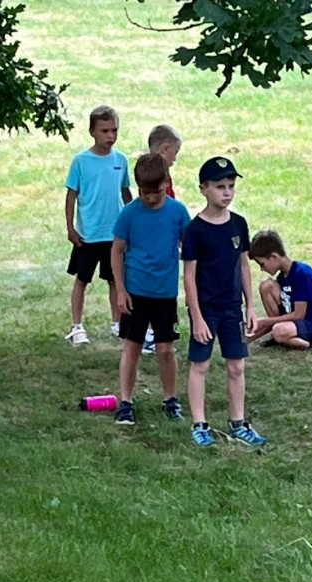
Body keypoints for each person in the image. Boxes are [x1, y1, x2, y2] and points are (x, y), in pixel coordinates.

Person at [182, 156, 266, 447]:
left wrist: (250, 306)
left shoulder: (239, 224)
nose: (227, 192)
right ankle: (199, 424)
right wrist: (197, 316)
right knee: (201, 365)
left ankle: (238, 423)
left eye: (231, 186)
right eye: (220, 187)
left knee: (237, 366)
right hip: (206, 308)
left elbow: (244, 266)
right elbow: (189, 276)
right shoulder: (194, 230)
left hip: (232, 308)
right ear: (203, 189)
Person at [111, 153, 191, 426]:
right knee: (132, 347)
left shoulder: (178, 212)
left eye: (156, 191)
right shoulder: (129, 213)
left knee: (165, 349)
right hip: (136, 292)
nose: (150, 198)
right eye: (145, 192)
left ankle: (170, 399)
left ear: (166, 183)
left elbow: (190, 249)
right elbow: (117, 251)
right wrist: (121, 290)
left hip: (165, 293)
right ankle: (126, 402)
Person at [64, 105, 132, 345]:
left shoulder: (121, 160)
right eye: (105, 131)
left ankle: (117, 322)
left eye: (114, 130)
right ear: (92, 131)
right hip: (88, 235)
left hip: (114, 235)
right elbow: (71, 195)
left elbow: (125, 192)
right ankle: (77, 326)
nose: (110, 136)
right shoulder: (81, 161)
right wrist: (71, 228)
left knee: (115, 280)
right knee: (82, 279)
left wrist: (134, 222)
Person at [247, 230, 312, 350]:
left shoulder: (302, 274)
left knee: (278, 330)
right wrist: (247, 340)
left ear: (274, 257)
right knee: (266, 286)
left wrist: (266, 321)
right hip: (293, 323)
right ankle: (280, 336)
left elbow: (299, 315)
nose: (262, 269)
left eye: (262, 264)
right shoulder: (283, 276)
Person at [141, 124, 183, 355]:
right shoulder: (155, 177)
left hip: (167, 237)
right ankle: (150, 333)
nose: (175, 158)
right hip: (157, 239)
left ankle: (157, 331)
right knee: (151, 285)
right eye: (175, 153)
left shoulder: (163, 175)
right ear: (166, 149)